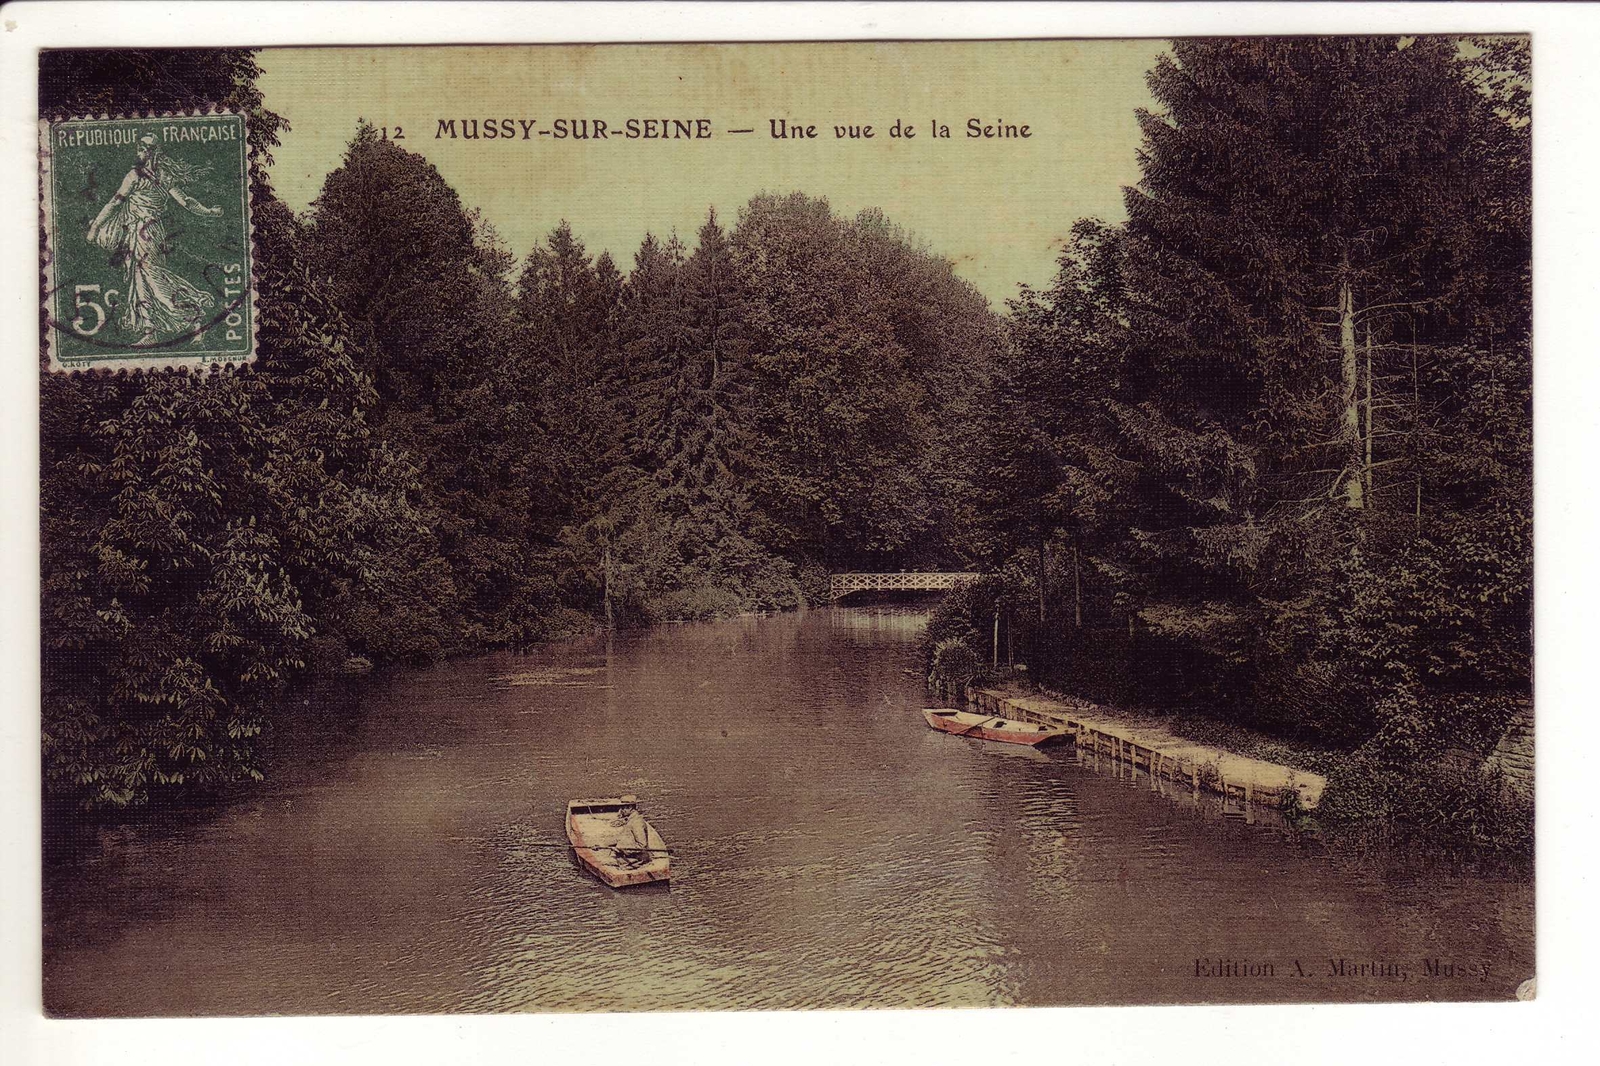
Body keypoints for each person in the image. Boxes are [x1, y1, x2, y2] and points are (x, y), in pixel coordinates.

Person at [86, 134, 222, 345]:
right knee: (141, 278)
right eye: (139, 148)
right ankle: (151, 330)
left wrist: (95, 227)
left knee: (151, 277)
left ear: (151, 152)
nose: (138, 152)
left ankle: (193, 313)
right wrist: (209, 211)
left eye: (142, 149)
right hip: (147, 232)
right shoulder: (161, 176)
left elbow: (115, 203)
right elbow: (186, 202)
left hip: (144, 232)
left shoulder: (135, 176)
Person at [609, 796, 652, 868]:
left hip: (635, 859)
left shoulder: (637, 823)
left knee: (603, 862)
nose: (621, 810)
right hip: (629, 856)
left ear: (630, 807)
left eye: (623, 808)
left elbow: (642, 845)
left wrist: (621, 848)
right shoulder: (631, 820)